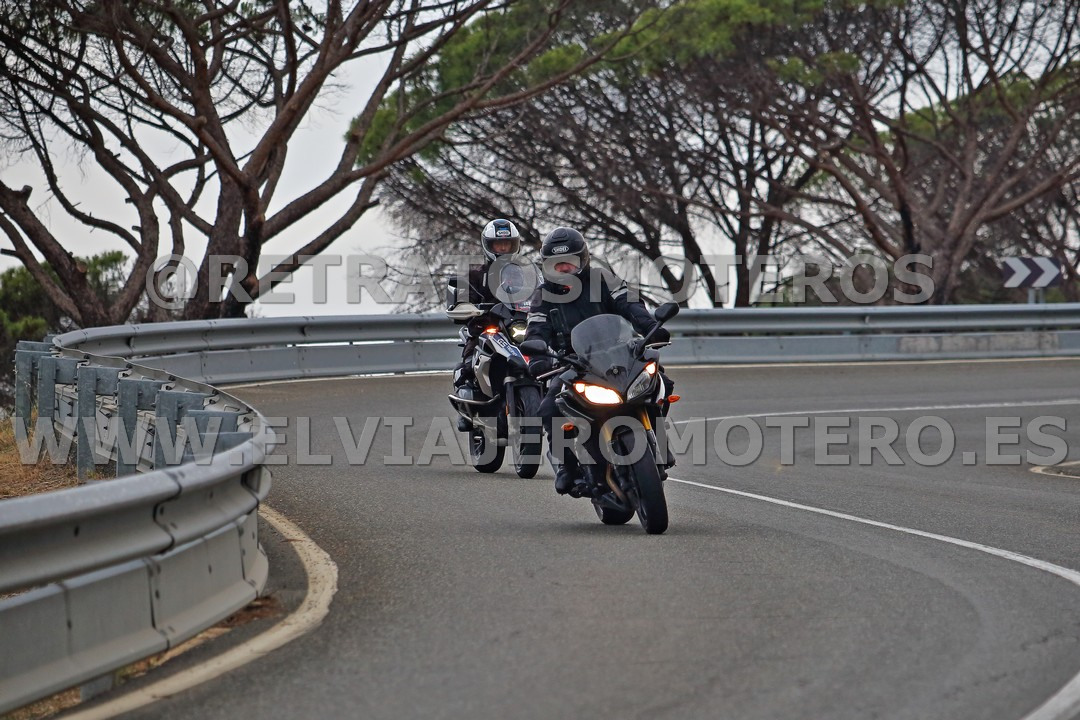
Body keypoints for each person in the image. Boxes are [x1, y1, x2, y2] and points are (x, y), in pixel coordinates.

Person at [524, 227, 672, 495]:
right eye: (556, 264)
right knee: (549, 409)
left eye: (569, 262)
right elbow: (536, 329)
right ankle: (567, 466)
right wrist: (537, 358)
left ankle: (659, 441)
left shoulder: (603, 279)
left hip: (620, 353)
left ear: (583, 259)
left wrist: (650, 327)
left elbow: (630, 303)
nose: (563, 268)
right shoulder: (543, 296)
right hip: (573, 364)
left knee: (661, 380)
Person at [447, 219, 522, 401]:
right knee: (469, 361)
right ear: (488, 246)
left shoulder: (526, 274)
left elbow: (541, 293)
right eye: (498, 244)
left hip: (519, 326)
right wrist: (465, 305)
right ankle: (467, 391)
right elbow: (464, 296)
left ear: (515, 245)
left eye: (507, 244)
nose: (503, 249)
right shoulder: (475, 275)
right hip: (487, 327)